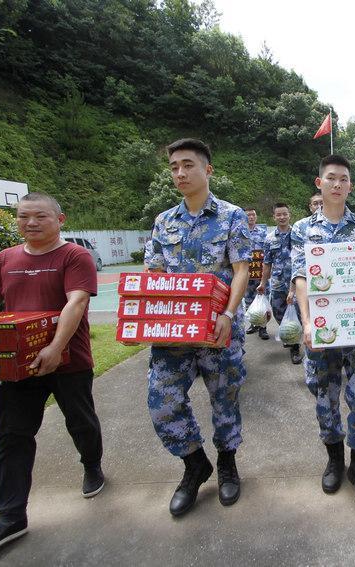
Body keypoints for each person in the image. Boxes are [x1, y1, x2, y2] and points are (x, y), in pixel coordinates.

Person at [0, 193, 103, 555]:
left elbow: (78, 301)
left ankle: (92, 466)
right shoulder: (5, 258)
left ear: (60, 219)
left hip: (68, 360)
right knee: (11, 435)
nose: (31, 223)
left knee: (81, 421)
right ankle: (10, 516)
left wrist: (55, 348)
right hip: (16, 365)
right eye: (23, 217)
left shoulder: (74, 256)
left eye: (40, 216)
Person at [144, 138, 251, 517]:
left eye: (187, 165)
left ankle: (226, 463)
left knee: (225, 402)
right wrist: (147, 323)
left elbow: (241, 270)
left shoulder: (232, 216)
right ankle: (194, 464)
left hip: (219, 333)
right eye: (174, 167)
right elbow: (154, 274)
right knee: (162, 403)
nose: (180, 173)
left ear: (207, 170)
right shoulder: (163, 221)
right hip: (173, 333)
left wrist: (228, 314)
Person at [291, 154, 355, 512]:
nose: (337, 184)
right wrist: (306, 322)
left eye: (343, 179)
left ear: (350, 185)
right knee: (324, 395)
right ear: (320, 183)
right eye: (331, 178)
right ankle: (334, 458)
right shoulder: (303, 229)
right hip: (322, 330)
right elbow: (300, 278)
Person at [258, 203, 302, 364]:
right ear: (274, 217)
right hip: (277, 282)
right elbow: (267, 263)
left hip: (296, 281)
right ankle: (288, 333)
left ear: (289, 215)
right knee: (278, 311)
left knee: (296, 312)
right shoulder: (269, 239)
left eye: (285, 214)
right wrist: (263, 283)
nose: (282, 217)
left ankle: (294, 346)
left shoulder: (297, 234)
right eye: (279, 215)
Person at [244, 207, 269, 340]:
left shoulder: (263, 233)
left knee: (262, 299)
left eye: (253, 215)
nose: (251, 217)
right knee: (248, 299)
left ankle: (263, 327)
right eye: (248, 215)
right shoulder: (240, 233)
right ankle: (254, 323)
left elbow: (268, 251)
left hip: (260, 272)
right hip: (247, 273)